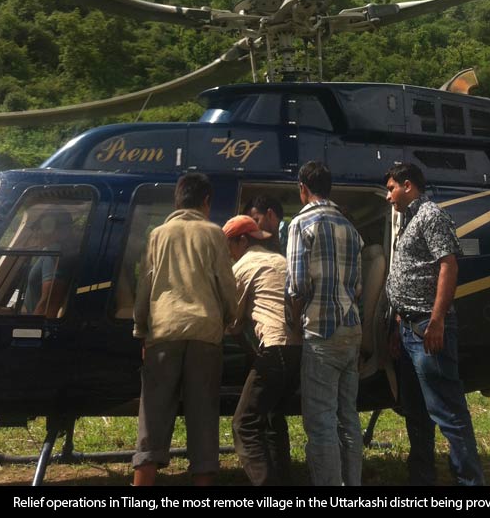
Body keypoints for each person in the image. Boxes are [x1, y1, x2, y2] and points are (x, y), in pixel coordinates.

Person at [132, 173, 238, 486]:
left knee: (152, 418)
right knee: (203, 417)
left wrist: (141, 329)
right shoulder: (213, 233)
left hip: (164, 332)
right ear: (206, 202)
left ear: (177, 201)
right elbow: (225, 284)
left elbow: (145, 286)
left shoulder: (158, 234)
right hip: (205, 335)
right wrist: (231, 317)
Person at [385, 162, 484, 486]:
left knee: (448, 412)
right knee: (416, 412)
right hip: (409, 329)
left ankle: (470, 483)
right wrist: (400, 320)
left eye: (391, 188)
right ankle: (421, 479)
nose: (389, 197)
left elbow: (448, 265)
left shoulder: (430, 215)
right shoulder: (410, 219)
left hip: (427, 330)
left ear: (408, 185)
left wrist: (437, 321)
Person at [286, 161, 364, 486]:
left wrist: (294, 319)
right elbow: (357, 286)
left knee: (320, 423)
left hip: (321, 331)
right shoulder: (350, 227)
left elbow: (296, 284)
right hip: (352, 329)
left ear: (303, 188)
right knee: (348, 418)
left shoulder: (301, 223)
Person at [222, 214, 302, 485]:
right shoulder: (280, 260)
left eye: (229, 247)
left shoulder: (243, 266)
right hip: (298, 351)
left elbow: (232, 323)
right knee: (271, 419)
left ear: (242, 241)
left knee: (243, 425)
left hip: (275, 348)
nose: (229, 255)